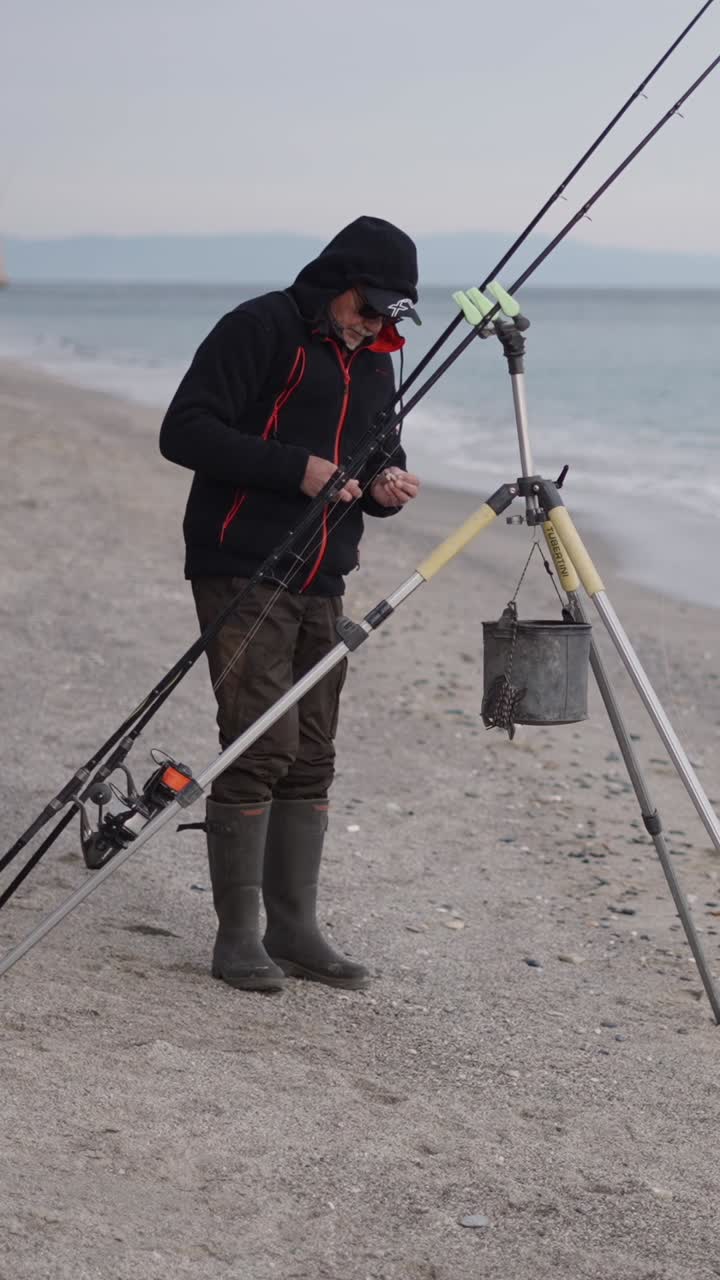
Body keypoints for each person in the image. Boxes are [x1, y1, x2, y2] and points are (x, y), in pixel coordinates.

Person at [160, 215, 421, 993]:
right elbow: (184, 431)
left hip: (324, 572)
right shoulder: (259, 327)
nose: (375, 322)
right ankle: (237, 937)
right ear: (335, 281)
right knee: (259, 744)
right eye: (366, 305)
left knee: (312, 752)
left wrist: (385, 488)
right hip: (241, 562)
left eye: (387, 312)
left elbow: (382, 453)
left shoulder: (376, 358)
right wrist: (296, 470)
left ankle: (296, 930)